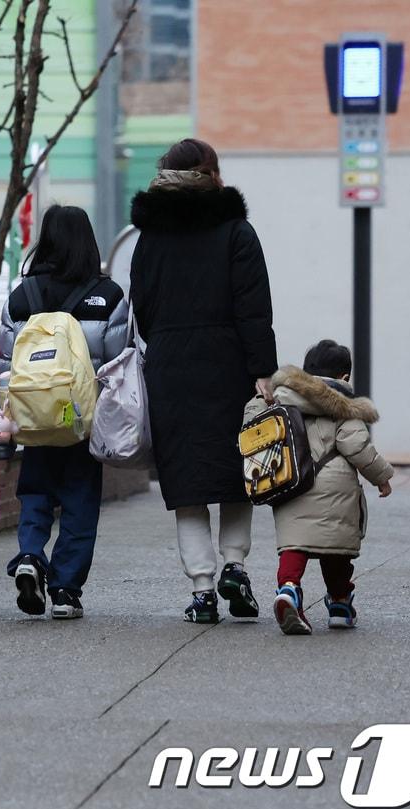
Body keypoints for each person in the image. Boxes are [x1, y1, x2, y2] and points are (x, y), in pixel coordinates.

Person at [129, 138, 278, 625]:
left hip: (171, 366)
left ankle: (202, 589)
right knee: (239, 474)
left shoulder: (150, 237)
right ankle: (236, 565)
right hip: (230, 365)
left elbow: (143, 309)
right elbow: (254, 309)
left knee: (187, 482)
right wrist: (263, 371)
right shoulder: (236, 231)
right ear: (211, 174)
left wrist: (168, 344)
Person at [0, 205, 128, 619]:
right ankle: (66, 590)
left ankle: (31, 556)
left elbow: (3, 364)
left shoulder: (21, 295)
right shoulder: (107, 296)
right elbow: (115, 362)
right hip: (81, 422)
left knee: (35, 493)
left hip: (34, 420)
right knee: (80, 504)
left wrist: (9, 419)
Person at [242, 341, 394, 636]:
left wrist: (260, 400)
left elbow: (252, 427)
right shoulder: (345, 408)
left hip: (291, 485)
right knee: (335, 551)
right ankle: (339, 603)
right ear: (344, 378)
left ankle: (288, 589)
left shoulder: (278, 399)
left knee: (293, 547)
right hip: (335, 491)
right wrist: (382, 477)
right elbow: (357, 447)